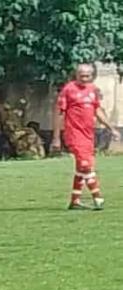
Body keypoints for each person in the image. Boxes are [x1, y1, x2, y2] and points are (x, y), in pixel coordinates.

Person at [51, 64, 120, 211]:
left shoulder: (92, 90)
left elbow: (97, 110)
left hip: (88, 134)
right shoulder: (68, 90)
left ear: (91, 76)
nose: (84, 78)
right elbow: (58, 114)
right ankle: (98, 198)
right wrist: (56, 137)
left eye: (87, 76)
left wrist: (111, 128)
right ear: (76, 75)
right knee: (85, 166)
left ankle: (75, 201)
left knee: (82, 167)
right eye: (81, 75)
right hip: (74, 134)